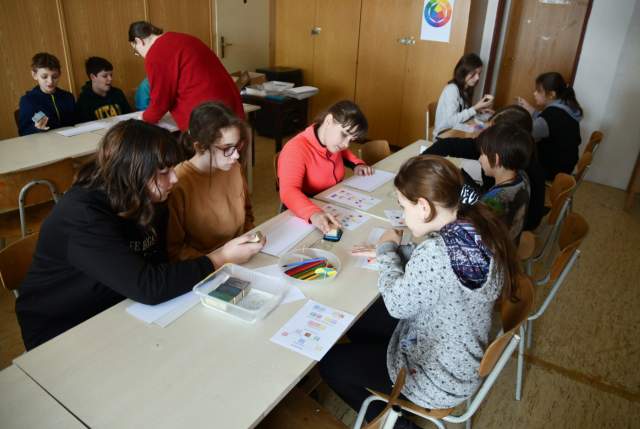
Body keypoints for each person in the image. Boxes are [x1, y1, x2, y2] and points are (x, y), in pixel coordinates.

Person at [15, 120, 264, 351]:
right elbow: (148, 286)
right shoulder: (82, 214)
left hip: (123, 305)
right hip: (64, 326)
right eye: (164, 171)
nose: (174, 178)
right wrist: (221, 258)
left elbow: (158, 263)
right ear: (131, 173)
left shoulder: (150, 195)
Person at [322, 155, 519, 426]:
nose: (403, 216)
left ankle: (399, 424)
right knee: (360, 323)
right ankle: (388, 394)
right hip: (460, 358)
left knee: (331, 363)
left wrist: (386, 250)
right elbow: (441, 268)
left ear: (424, 207)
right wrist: (400, 251)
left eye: (404, 207)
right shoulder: (478, 226)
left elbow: (396, 304)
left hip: (436, 378)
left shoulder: (436, 253)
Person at [423, 105, 546, 231]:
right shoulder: (520, 175)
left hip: (501, 231)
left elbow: (472, 228)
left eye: (493, 131)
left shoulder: (493, 203)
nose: (479, 158)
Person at [167, 101, 254, 261]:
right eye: (227, 148)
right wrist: (222, 260)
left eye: (237, 146)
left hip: (240, 258)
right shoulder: (178, 183)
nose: (236, 155)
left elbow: (248, 214)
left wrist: (250, 240)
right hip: (205, 266)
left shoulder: (233, 168)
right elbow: (175, 250)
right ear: (200, 147)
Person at [277, 100, 374, 233]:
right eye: (344, 134)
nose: (346, 144)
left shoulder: (332, 143)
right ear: (328, 121)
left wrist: (358, 164)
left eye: (351, 140)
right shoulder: (295, 149)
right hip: (304, 214)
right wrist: (314, 214)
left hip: (330, 203)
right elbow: (288, 191)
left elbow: (344, 153)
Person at [128, 21, 244, 131]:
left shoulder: (155, 54)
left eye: (136, 51)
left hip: (207, 115)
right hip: (229, 106)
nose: (140, 55)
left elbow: (160, 101)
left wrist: (145, 118)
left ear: (139, 41)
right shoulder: (184, 38)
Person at [517, 72, 584, 180]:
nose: (534, 94)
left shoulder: (551, 115)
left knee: (514, 157)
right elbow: (548, 123)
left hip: (553, 169)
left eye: (538, 91)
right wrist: (531, 110)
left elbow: (524, 134)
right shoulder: (565, 105)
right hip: (566, 164)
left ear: (552, 94)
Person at [477, 123, 533, 242]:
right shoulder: (523, 176)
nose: (479, 159)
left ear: (496, 159)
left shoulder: (493, 200)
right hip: (512, 242)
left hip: (497, 251)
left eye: (482, 154)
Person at [433, 53, 494, 138]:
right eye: (474, 74)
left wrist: (478, 110)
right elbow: (451, 121)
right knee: (479, 138)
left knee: (482, 130)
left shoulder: (465, 90)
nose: (477, 78)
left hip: (456, 132)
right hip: (444, 135)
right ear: (463, 72)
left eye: (479, 74)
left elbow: (462, 116)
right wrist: (474, 108)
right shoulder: (452, 89)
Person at [18, 52, 76, 136]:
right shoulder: (28, 101)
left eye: (54, 76)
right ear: (34, 75)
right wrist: (36, 128)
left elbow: (76, 123)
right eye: (44, 77)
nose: (50, 81)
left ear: (59, 74)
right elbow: (23, 132)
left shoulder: (68, 97)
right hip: (44, 142)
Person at [76, 56, 132, 122]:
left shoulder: (118, 93)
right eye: (105, 76)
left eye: (111, 75)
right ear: (93, 77)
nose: (110, 79)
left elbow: (129, 117)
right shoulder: (84, 100)